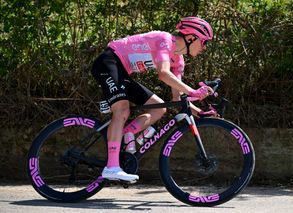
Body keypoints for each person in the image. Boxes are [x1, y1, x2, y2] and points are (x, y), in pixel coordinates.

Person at [91, 17, 216, 182]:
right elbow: (163, 73)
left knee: (159, 108)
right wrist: (193, 90)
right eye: (204, 42)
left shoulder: (178, 61)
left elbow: (177, 98)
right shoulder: (165, 40)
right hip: (108, 62)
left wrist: (201, 112)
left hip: (122, 72)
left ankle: (127, 132)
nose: (205, 48)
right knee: (122, 110)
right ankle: (112, 167)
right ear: (191, 37)